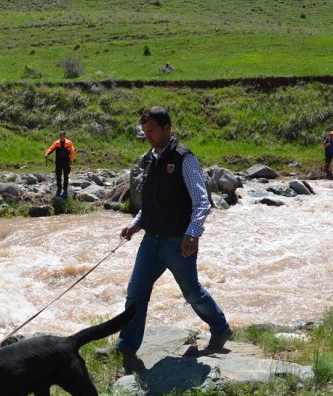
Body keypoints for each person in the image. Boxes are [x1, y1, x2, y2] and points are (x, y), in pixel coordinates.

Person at [99, 106, 233, 368]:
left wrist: (192, 234)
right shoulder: (148, 160)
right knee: (136, 293)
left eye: (151, 130)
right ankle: (126, 347)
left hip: (178, 242)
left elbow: (202, 202)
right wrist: (135, 225)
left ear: (167, 128)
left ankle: (221, 327)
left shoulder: (185, 159)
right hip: (151, 242)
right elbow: (150, 205)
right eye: (144, 131)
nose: (147, 135)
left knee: (192, 293)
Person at [44, 130, 75, 198]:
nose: (61, 137)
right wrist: (47, 153)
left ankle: (65, 188)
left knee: (66, 175)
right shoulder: (56, 143)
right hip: (58, 161)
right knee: (58, 174)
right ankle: (59, 188)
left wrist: (71, 159)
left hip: (66, 161)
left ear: (65, 136)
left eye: (62, 136)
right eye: (60, 136)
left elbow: (72, 151)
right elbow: (51, 149)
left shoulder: (69, 143)